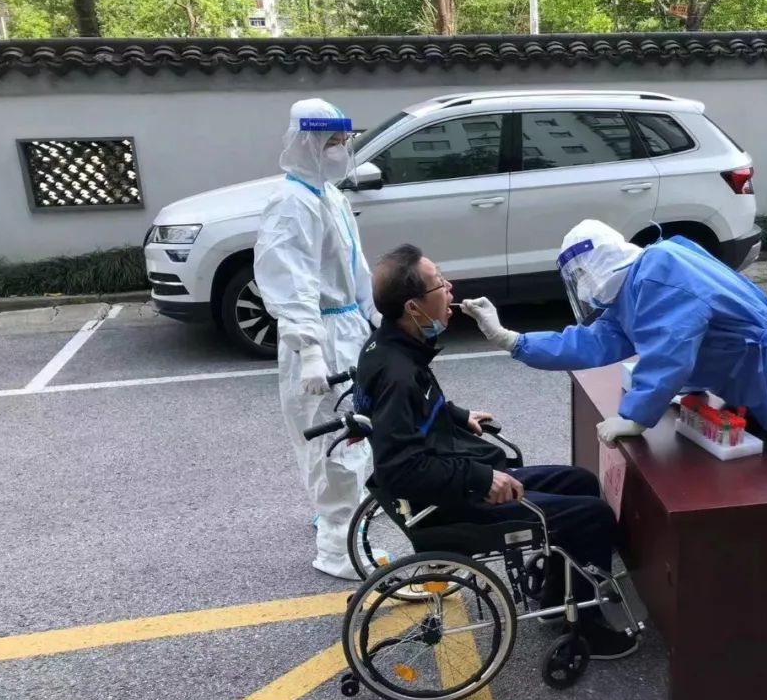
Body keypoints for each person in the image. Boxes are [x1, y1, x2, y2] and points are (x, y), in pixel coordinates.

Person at [461, 219, 767, 673]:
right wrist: (513, 340)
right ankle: (762, 606)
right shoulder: (633, 288)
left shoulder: (660, 270)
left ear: (593, 265)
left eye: (579, 275)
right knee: (765, 500)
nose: (582, 287)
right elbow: (591, 343)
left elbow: (670, 350)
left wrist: (635, 416)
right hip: (750, 378)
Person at [353, 243, 639, 660]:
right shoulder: (398, 373)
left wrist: (456, 416)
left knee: (580, 480)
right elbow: (400, 467)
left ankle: (558, 597)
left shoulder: (388, 347)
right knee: (592, 515)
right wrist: (482, 478)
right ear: (413, 307)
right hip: (450, 502)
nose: (449, 289)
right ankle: (590, 630)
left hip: (452, 472)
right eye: (439, 284)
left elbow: (414, 410)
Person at [253, 98, 381, 580]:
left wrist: (374, 314)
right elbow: (291, 281)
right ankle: (338, 547)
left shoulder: (329, 196)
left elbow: (355, 267)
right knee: (334, 442)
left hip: (345, 329)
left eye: (344, 141)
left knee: (353, 433)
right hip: (320, 335)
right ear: (306, 143)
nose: (340, 150)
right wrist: (309, 348)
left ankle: (341, 517)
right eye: (332, 142)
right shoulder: (291, 204)